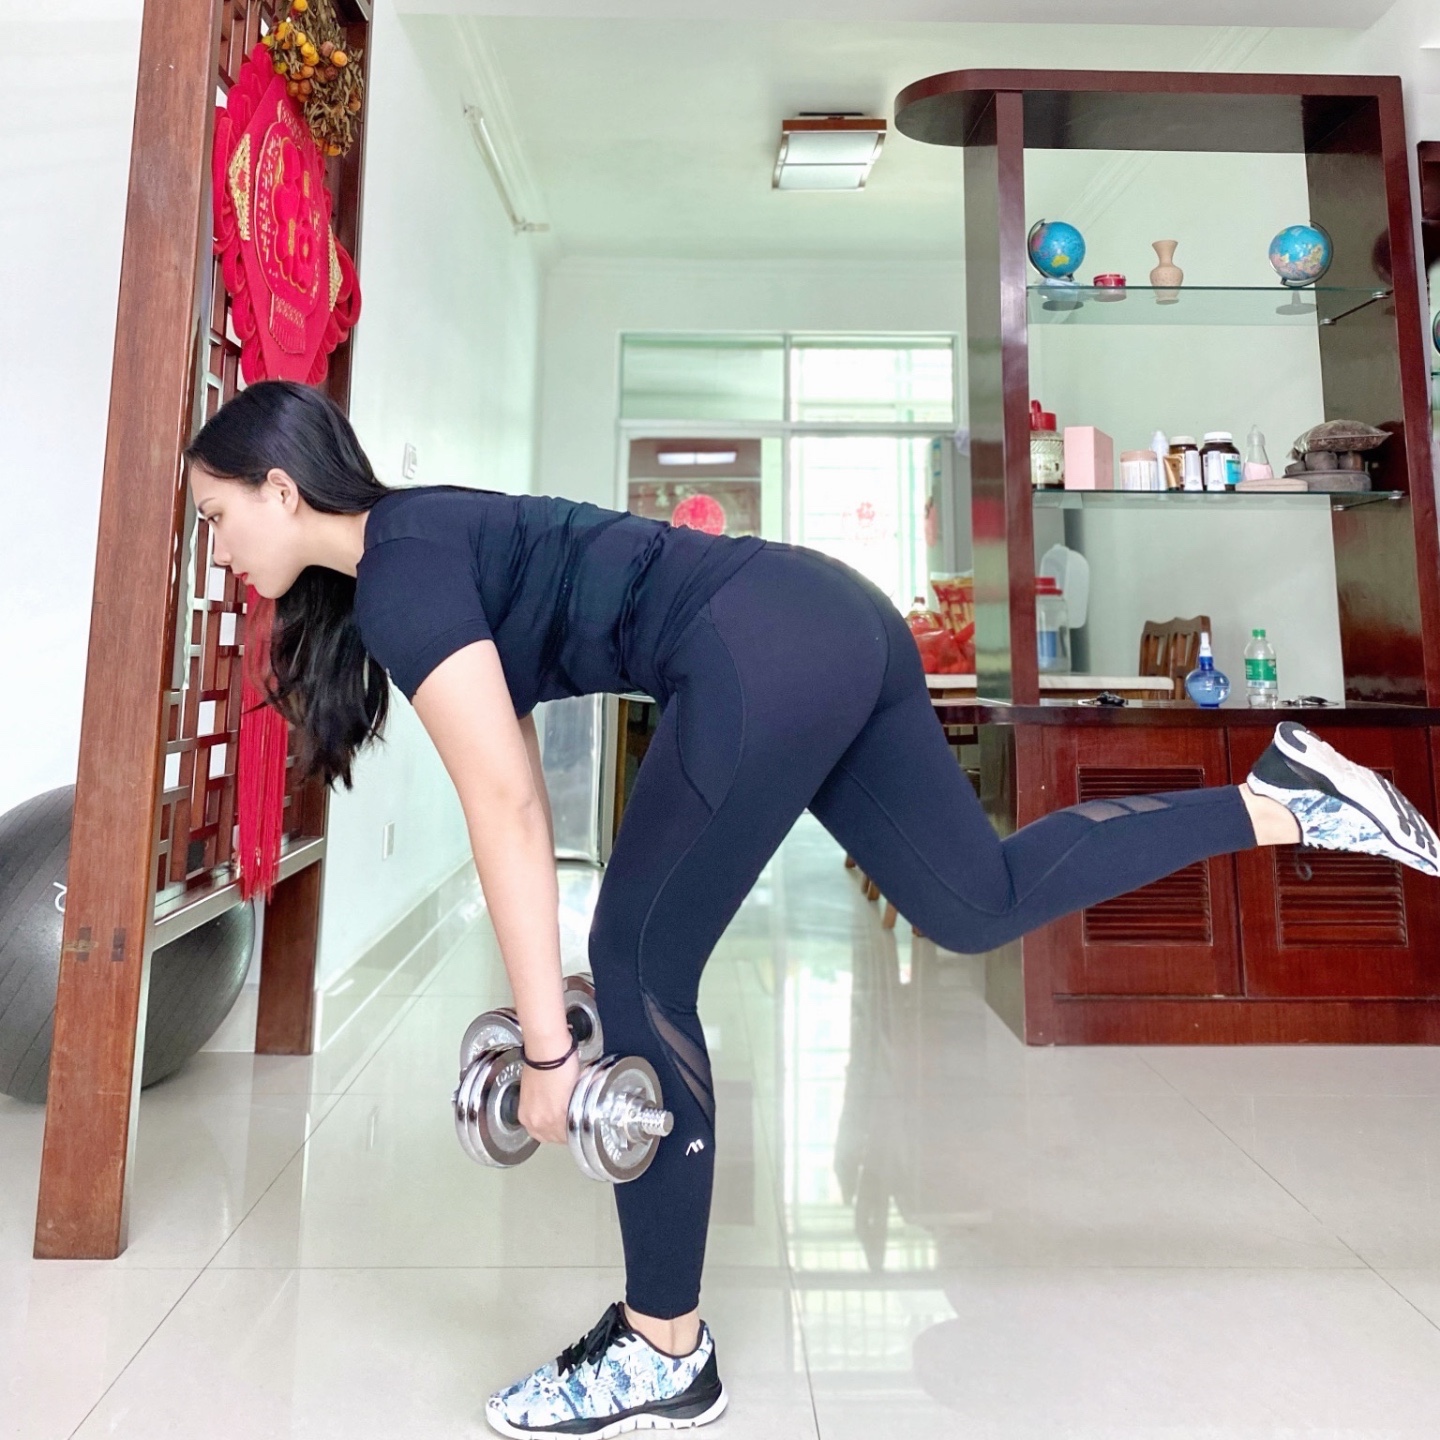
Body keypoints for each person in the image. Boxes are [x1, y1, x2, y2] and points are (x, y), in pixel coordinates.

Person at [186, 380, 1439, 1439]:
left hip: (758, 643)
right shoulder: (413, 551)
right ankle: (1278, 799)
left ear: (279, 489)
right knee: (974, 900)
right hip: (830, 615)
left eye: (216, 514)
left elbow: (508, 810)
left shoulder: (402, 569)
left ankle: (662, 1348)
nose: (219, 547)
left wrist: (555, 1057)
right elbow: (508, 765)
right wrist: (547, 1032)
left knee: (636, 956)